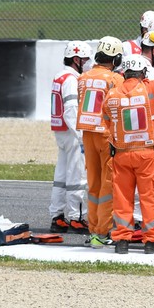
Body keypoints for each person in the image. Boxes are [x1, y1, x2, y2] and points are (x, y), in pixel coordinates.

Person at [104, 40, 154, 254]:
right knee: (150, 196)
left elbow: (106, 119)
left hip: (121, 153)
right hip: (146, 153)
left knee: (122, 197)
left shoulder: (112, 95)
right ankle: (151, 241)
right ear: (142, 72)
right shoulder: (149, 90)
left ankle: (122, 240)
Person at [77, 36, 125, 248]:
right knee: (108, 185)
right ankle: (102, 231)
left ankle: (93, 228)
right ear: (115, 59)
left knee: (93, 183)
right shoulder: (115, 80)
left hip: (88, 134)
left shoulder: (83, 77)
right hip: (106, 134)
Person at [49, 40, 91, 233]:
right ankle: (76, 217)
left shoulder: (59, 76)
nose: (88, 63)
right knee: (78, 177)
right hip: (73, 133)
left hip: (61, 132)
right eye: (85, 59)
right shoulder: (71, 79)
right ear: (76, 59)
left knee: (61, 176)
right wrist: (82, 135)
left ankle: (57, 215)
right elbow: (71, 109)